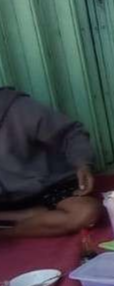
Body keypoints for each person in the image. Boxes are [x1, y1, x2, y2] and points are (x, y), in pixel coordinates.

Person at [0, 87, 102, 238]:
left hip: (48, 186)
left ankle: (9, 231)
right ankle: (33, 216)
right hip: (7, 201)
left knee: (86, 212)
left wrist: (83, 163)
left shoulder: (17, 108)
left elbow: (70, 133)